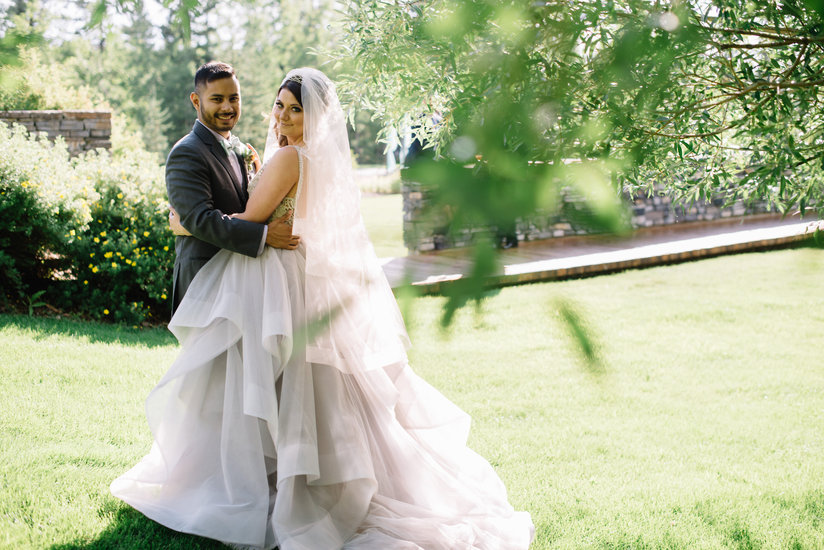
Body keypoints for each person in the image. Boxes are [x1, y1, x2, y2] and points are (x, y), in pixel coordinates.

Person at [111, 67, 534, 550]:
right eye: (280, 106)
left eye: (296, 109)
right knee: (286, 386)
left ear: (316, 117)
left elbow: (249, 219)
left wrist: (183, 225)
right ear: (198, 100)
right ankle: (277, 476)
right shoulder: (300, 158)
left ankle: (266, 482)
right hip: (293, 277)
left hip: (274, 280)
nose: (284, 117)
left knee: (269, 386)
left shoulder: (289, 158)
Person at [165, 61, 299, 312]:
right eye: (217, 99)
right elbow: (201, 219)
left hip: (242, 280)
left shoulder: (243, 151)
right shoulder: (187, 153)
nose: (227, 107)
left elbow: (254, 207)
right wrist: (265, 236)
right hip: (204, 281)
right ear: (196, 101)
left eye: (233, 98)